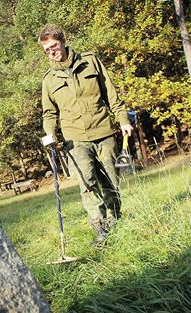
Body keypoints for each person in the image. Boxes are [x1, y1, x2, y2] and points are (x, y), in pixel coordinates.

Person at [39, 24, 134, 246]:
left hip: (103, 131)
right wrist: (50, 135)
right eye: (46, 50)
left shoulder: (90, 61)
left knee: (111, 180)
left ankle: (115, 219)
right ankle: (99, 227)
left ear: (63, 41)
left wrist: (123, 120)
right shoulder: (49, 80)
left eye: (53, 46)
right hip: (75, 139)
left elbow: (111, 95)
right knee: (87, 182)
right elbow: (49, 113)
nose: (51, 52)